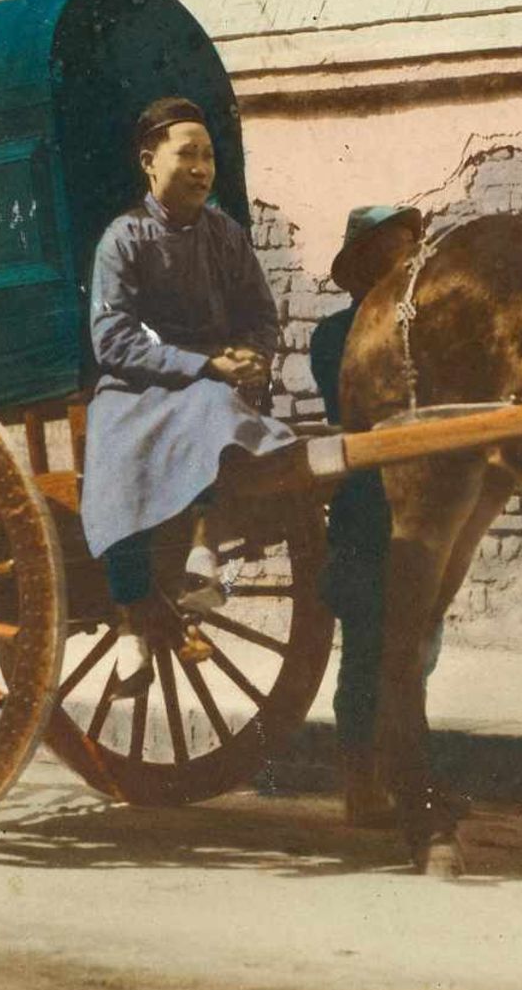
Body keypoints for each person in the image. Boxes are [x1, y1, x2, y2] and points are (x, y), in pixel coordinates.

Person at [81, 96, 293, 697]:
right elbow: (113, 338)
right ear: (150, 162)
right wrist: (203, 364)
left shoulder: (225, 234)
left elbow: (260, 314)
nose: (201, 168)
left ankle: (203, 554)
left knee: (215, 407)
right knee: (135, 451)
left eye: (208, 155)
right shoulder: (124, 239)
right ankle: (129, 626)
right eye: (186, 155)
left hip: (214, 385)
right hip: (136, 389)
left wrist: (253, 355)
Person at [310, 204, 426, 826]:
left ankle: (404, 774)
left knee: (414, 649)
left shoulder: (419, 325)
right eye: (392, 250)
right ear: (363, 266)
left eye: (411, 248)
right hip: (363, 508)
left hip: (413, 507)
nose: (406, 260)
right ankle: (360, 782)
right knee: (365, 648)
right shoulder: (335, 334)